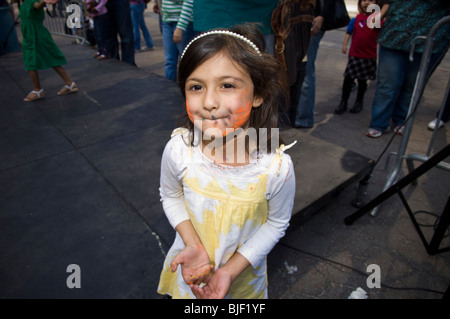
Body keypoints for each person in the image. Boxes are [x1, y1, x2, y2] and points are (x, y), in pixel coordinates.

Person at [157, 24, 296, 299]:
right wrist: (192, 243)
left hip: (243, 284)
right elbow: (170, 194)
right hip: (190, 275)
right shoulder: (179, 150)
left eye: (227, 85)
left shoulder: (276, 169)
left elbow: (276, 223)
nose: (209, 101)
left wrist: (229, 271)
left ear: (258, 94)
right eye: (196, 87)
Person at [366, 0, 450, 138]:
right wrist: (378, 14)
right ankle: (379, 123)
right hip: (393, 36)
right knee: (387, 85)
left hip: (427, 40)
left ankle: (401, 120)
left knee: (412, 85)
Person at [20, 0, 78, 101]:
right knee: (49, 60)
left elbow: (37, 6)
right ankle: (69, 84)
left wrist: (44, 2)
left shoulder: (32, 2)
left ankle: (37, 90)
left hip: (36, 36)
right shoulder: (26, 2)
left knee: (32, 62)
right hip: (32, 36)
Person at [335, 0, 381, 115]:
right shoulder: (356, 19)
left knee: (362, 82)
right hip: (355, 55)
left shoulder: (375, 20)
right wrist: (345, 45)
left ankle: (358, 102)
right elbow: (349, 32)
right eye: (364, 0)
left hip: (368, 56)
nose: (367, 3)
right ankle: (343, 102)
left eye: (370, 0)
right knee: (348, 79)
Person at [160, 0, 195, 81]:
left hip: (184, 24)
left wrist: (180, 27)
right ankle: (168, 89)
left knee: (187, 62)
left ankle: (189, 90)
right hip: (167, 21)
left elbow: (189, 2)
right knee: (170, 61)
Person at [105, 0, 135, 65]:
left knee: (126, 36)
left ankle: (128, 63)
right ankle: (115, 63)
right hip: (104, 4)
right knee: (110, 36)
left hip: (120, 2)